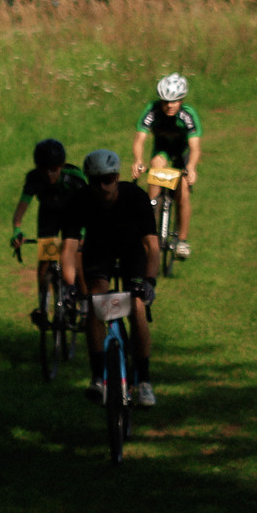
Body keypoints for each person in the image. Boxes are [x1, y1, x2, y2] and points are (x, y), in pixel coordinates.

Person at [60, 149, 162, 407]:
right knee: (96, 303)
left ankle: (144, 382)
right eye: (96, 181)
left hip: (132, 253)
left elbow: (151, 246)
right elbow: (69, 250)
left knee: (136, 305)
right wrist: (70, 286)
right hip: (100, 252)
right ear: (89, 181)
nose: (103, 186)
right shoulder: (79, 201)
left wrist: (149, 281)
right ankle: (97, 377)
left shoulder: (136, 197)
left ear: (117, 177)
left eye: (108, 179)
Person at [10, 138, 87, 323]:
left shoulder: (74, 178)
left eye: (54, 169)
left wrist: (84, 232)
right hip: (49, 215)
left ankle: (83, 303)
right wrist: (17, 231)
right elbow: (20, 211)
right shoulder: (34, 179)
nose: (49, 175)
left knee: (74, 254)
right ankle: (43, 308)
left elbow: (88, 206)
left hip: (73, 215)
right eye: (44, 170)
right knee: (46, 258)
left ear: (61, 166)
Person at [130, 73, 202, 258]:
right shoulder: (152, 111)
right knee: (155, 168)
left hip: (181, 155)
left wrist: (191, 167)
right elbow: (140, 139)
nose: (169, 106)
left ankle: (182, 241)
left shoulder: (188, 115)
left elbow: (195, 147)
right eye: (165, 102)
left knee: (183, 189)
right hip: (162, 151)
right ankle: (149, 226)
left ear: (181, 100)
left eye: (174, 101)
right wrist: (138, 160)